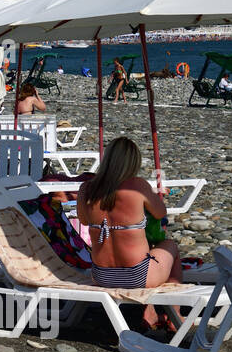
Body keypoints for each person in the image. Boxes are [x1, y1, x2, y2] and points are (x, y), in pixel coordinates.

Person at [76, 136, 182, 330]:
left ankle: (149, 312)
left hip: (101, 275)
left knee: (151, 253)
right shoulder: (137, 186)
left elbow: (83, 220)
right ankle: (174, 313)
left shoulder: (86, 189)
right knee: (169, 247)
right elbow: (160, 212)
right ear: (134, 162)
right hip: (137, 275)